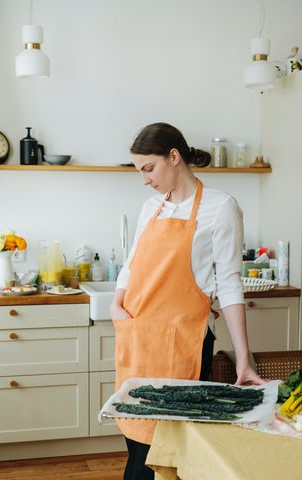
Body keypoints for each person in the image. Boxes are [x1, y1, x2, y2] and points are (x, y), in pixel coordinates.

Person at [110, 122, 265, 480]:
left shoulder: (221, 208)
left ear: (174, 157)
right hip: (137, 338)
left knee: (164, 450)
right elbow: (131, 264)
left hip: (184, 344)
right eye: (139, 171)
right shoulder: (151, 207)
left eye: (149, 169)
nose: (145, 180)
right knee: (135, 440)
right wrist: (116, 305)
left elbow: (228, 285)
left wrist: (244, 359)